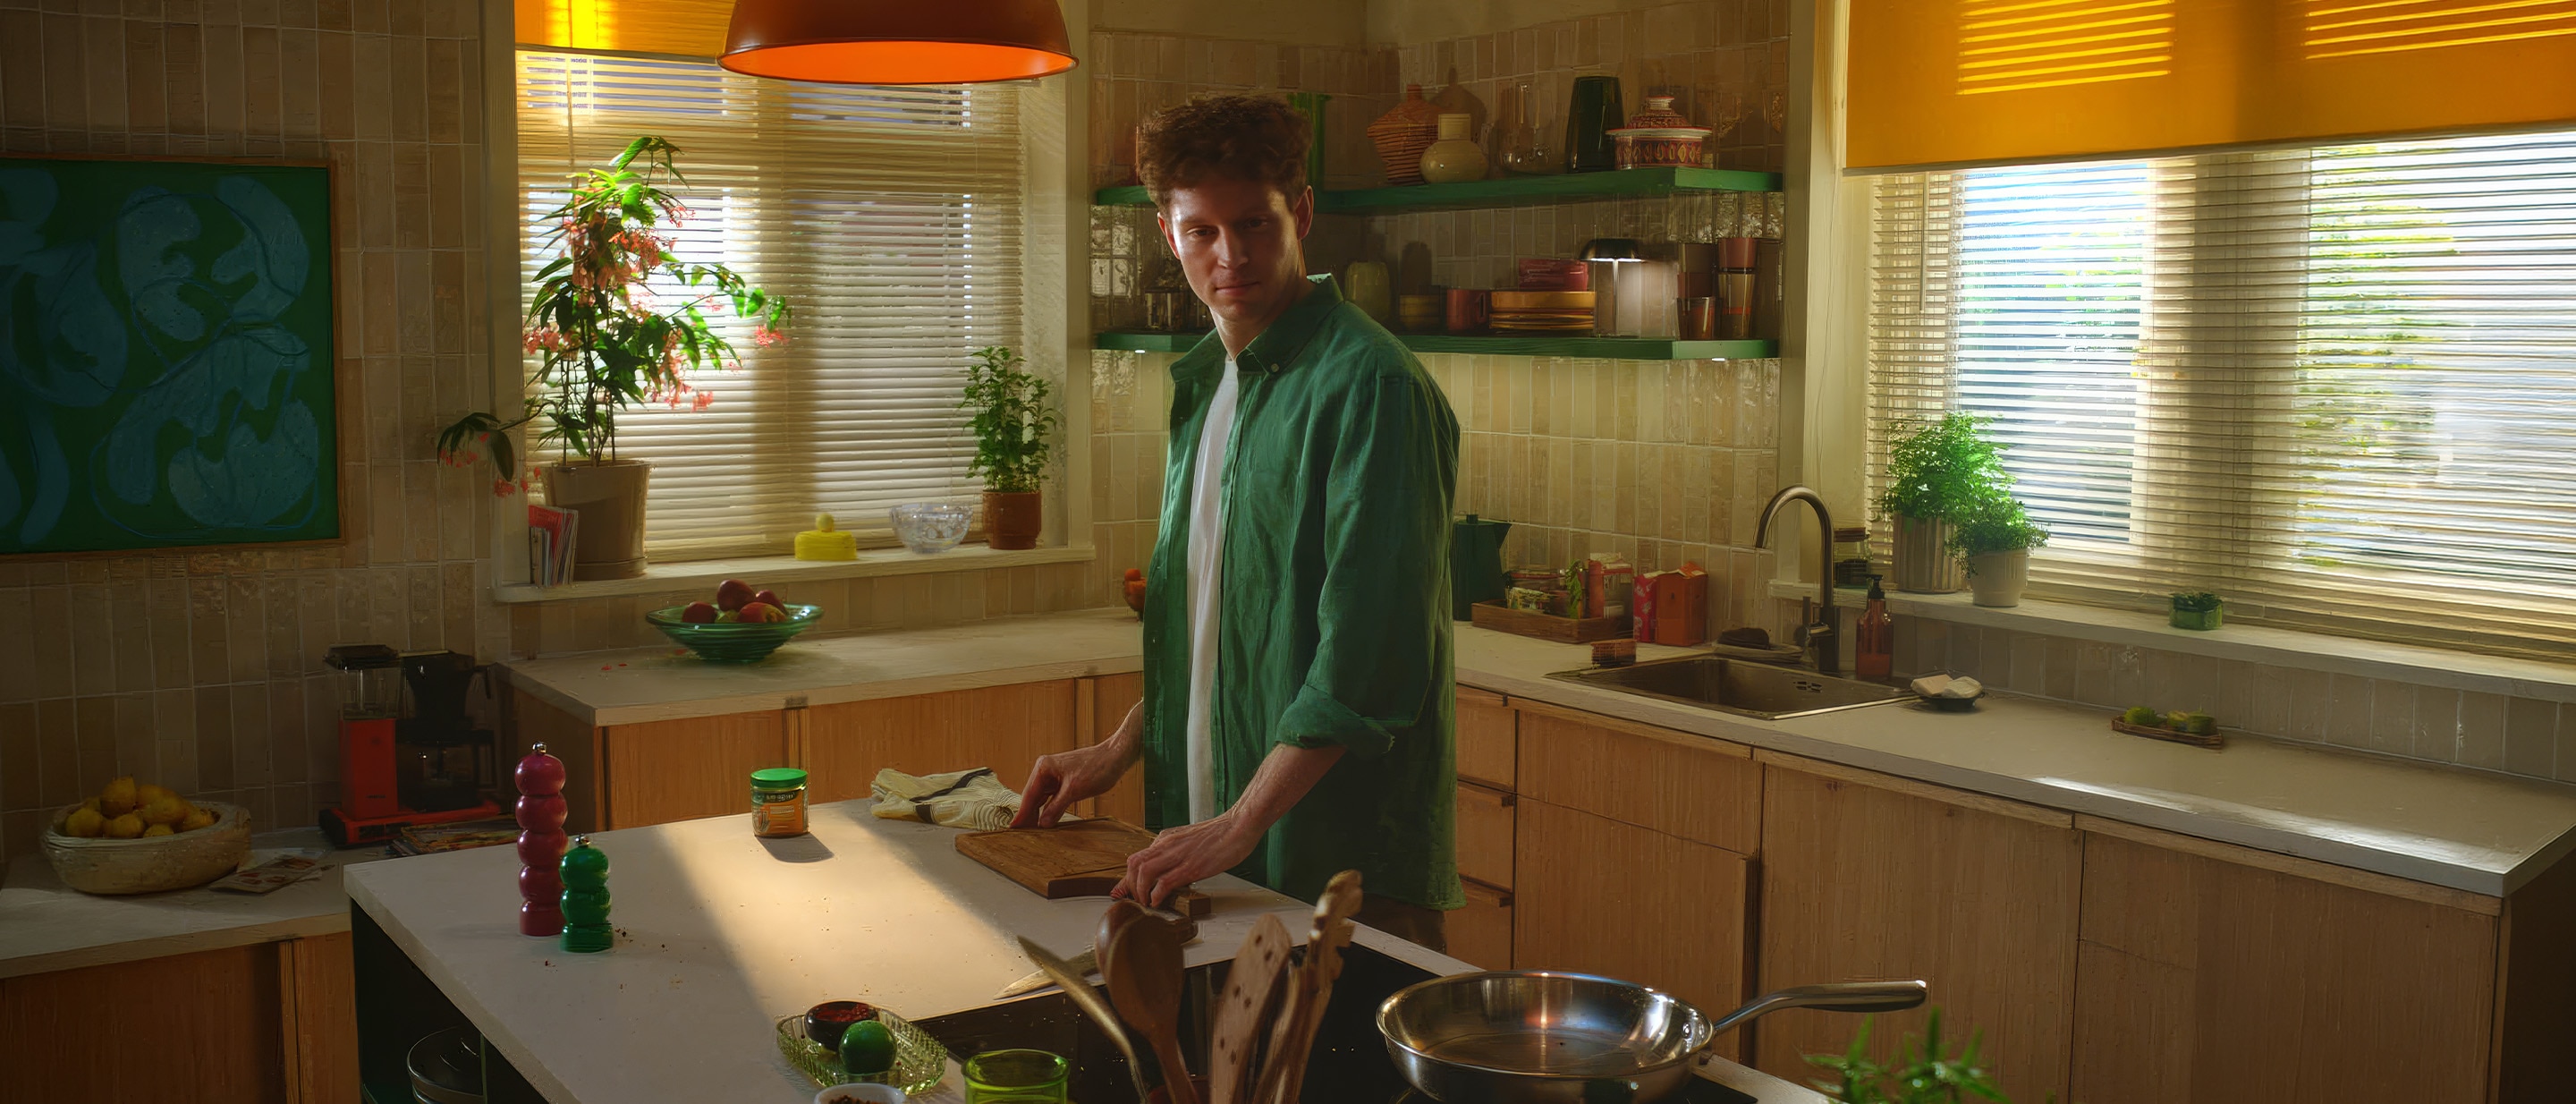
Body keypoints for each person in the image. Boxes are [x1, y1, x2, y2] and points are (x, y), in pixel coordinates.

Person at [1012, 93, 1462, 948]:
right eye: (1203, 232)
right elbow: (1220, 623)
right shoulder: (1209, 382)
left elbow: (1369, 661)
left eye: (1256, 224)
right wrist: (1118, 751)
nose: (1233, 256)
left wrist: (1241, 820)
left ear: (1304, 214)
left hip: (1337, 872)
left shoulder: (1372, 386)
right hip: (1217, 858)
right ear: (1165, 234)